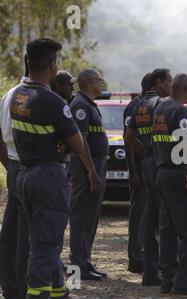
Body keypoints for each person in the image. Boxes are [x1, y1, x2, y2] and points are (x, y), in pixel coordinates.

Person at [11, 38, 83, 299]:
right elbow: (77, 143)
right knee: (44, 245)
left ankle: (58, 293)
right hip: (49, 177)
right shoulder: (52, 101)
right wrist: (62, 139)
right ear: (53, 65)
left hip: (24, 174)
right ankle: (38, 295)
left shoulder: (17, 96)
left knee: (46, 240)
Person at [153, 73, 187, 295]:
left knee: (167, 230)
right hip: (179, 174)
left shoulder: (160, 108)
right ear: (184, 89)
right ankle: (185, 280)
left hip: (162, 172)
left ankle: (168, 279)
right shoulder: (180, 111)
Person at [124, 68, 172, 286]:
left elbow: (129, 137)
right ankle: (168, 269)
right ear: (159, 83)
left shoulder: (138, 105)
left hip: (146, 165)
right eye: (169, 81)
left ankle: (150, 270)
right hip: (159, 165)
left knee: (149, 217)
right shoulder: (162, 105)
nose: (170, 86)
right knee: (165, 217)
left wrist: (145, 152)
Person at [69, 69, 109, 281]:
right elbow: (81, 142)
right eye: (100, 80)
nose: (102, 84)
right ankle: (77, 266)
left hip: (96, 164)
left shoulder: (89, 104)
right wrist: (91, 171)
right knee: (82, 216)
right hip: (87, 167)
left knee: (91, 216)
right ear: (90, 82)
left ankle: (84, 261)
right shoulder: (81, 106)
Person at [0, 76, 30, 299]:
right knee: (24, 234)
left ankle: (11, 286)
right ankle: (20, 287)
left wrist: (10, 166)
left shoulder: (8, 95)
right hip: (26, 168)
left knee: (11, 232)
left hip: (15, 168)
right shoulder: (28, 97)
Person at [123, 73, 153, 274]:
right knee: (139, 213)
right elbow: (128, 141)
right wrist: (132, 173)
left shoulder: (149, 104)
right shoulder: (136, 106)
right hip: (140, 167)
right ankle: (135, 259)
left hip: (148, 167)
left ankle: (146, 257)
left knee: (149, 213)